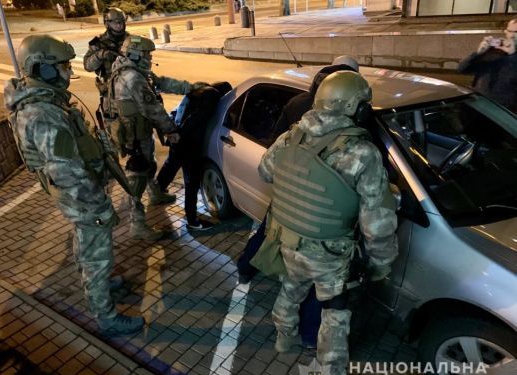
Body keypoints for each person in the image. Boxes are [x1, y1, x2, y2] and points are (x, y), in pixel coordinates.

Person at [257, 71, 398, 375]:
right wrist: (381, 263)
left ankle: (283, 338)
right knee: (336, 312)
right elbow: (377, 223)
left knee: (291, 286)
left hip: (287, 239)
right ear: (353, 107)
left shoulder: (292, 136)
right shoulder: (362, 153)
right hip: (329, 252)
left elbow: (265, 172)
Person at [4, 34, 144, 337]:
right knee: (98, 255)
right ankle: (106, 316)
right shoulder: (42, 114)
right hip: (81, 196)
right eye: (63, 66)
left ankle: (99, 286)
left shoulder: (45, 101)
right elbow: (66, 171)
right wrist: (99, 205)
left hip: (80, 192)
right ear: (42, 68)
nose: (68, 72)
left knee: (86, 244)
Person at [237, 56, 361, 349]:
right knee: (325, 283)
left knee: (268, 237)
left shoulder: (296, 107)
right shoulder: (353, 126)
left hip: (287, 201)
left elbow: (268, 162)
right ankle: (309, 336)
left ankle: (245, 269)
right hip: (322, 216)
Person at [108, 35, 207, 239]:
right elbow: (153, 109)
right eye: (146, 54)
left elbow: (160, 82)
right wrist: (171, 130)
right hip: (134, 136)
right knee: (136, 177)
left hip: (140, 131)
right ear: (135, 55)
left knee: (149, 163)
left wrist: (189, 87)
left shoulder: (132, 70)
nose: (150, 58)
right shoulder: (132, 78)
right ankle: (137, 224)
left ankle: (155, 194)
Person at [155, 81, 232, 231]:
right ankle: (192, 221)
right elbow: (195, 120)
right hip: (188, 143)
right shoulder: (212, 96)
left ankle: (157, 192)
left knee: (171, 165)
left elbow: (179, 110)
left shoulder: (199, 89)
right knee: (192, 182)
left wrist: (175, 133)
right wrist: (185, 138)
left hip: (176, 136)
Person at [458, 19, 517, 113]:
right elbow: (462, 69)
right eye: (510, 31)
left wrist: (512, 55)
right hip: (480, 105)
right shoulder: (492, 51)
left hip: (504, 111)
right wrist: (478, 53)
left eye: (516, 32)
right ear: (505, 31)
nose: (512, 35)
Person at [83, 7, 129, 120]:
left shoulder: (132, 40)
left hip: (132, 88)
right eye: (115, 23)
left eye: (121, 22)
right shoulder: (98, 43)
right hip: (111, 94)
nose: (119, 25)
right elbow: (88, 66)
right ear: (107, 24)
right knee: (114, 126)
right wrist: (100, 55)